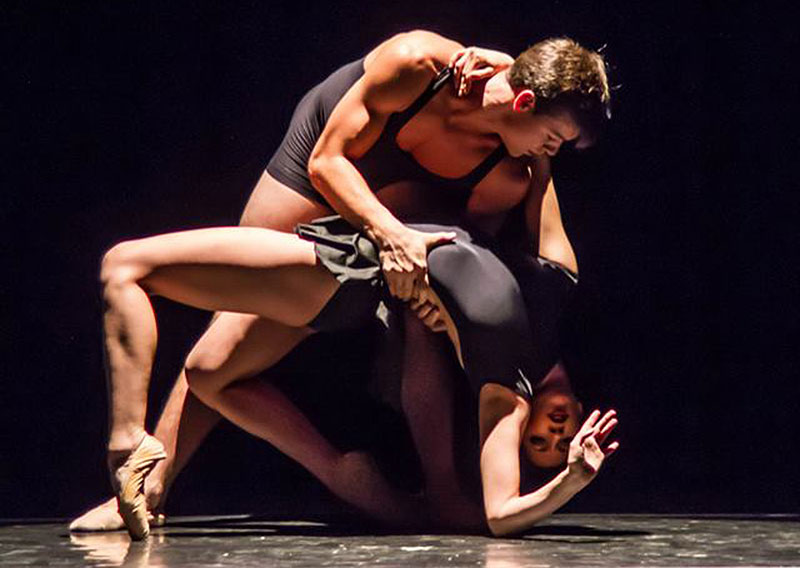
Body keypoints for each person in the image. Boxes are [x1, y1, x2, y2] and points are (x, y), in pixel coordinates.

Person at [71, 30, 611, 534]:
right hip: (329, 161)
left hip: (381, 235)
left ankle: (375, 481)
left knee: (213, 362)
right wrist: (390, 233)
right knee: (219, 317)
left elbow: (469, 259)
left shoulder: (509, 173)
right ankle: (149, 487)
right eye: (553, 140)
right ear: (523, 103)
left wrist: (420, 290)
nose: (552, 154)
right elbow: (328, 162)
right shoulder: (421, 63)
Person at [96, 213, 619, 539]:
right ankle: (356, 478)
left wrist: (570, 479)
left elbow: (502, 515)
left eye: (544, 444)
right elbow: (539, 153)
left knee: (128, 266)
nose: (558, 433)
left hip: (353, 269)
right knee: (208, 373)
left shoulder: (506, 398)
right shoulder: (558, 281)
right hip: (380, 238)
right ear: (579, 407)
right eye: (565, 433)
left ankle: (129, 450)